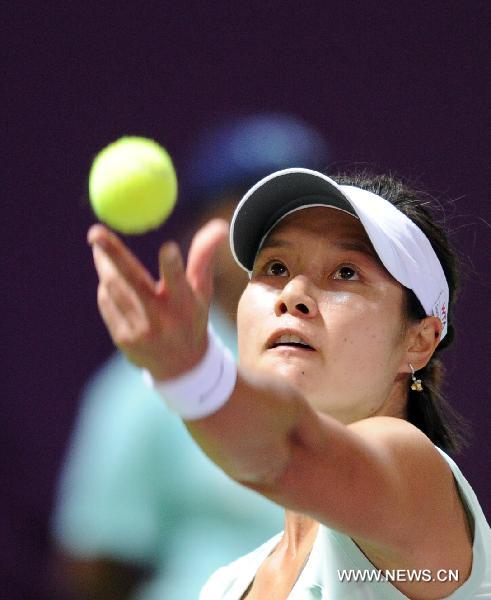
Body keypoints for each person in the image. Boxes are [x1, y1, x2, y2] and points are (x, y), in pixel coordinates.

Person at [88, 166, 490, 599]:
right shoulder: (224, 586)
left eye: (346, 272)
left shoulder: (414, 476)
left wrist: (192, 373)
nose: (292, 293)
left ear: (419, 341)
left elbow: (286, 454)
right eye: (274, 267)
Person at [52, 114, 329, 599]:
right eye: (251, 210)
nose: (280, 234)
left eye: (305, 215)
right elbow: (97, 566)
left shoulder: (354, 367)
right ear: (204, 229)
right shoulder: (139, 387)